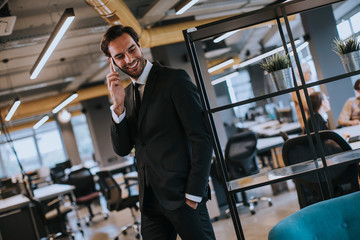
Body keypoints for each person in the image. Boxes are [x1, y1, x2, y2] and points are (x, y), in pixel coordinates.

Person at [100, 25, 216, 240]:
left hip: (183, 196)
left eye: (132, 50)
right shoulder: (126, 96)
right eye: (120, 56)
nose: (129, 59)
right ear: (112, 62)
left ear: (139, 45)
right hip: (150, 202)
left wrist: (194, 193)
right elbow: (123, 149)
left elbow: (202, 137)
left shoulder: (174, 80)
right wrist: (117, 108)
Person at [291, 62, 315, 130]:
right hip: (308, 124)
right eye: (308, 72)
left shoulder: (308, 88)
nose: (310, 74)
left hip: (314, 121)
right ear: (302, 74)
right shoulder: (298, 89)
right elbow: (307, 105)